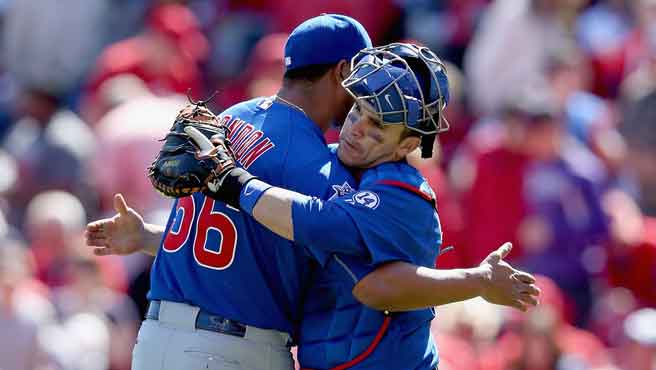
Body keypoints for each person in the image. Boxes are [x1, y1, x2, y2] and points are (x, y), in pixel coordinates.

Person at [188, 43, 540, 369]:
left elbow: (372, 286)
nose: (357, 129)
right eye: (358, 111)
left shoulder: (403, 192)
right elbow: (249, 244)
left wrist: (234, 182)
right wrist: (147, 238)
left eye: (378, 127)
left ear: (407, 144)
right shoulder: (325, 164)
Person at [86, 14, 372, 370]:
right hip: (229, 348)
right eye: (363, 75)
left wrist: (147, 237)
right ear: (343, 70)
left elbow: (232, 249)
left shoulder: (229, 117)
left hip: (157, 341)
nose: (366, 91)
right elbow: (357, 267)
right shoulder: (313, 162)